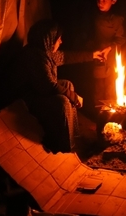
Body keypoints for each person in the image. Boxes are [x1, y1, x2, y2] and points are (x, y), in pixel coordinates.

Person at [13, 19, 104, 153]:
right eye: (58, 38)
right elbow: (48, 86)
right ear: (49, 38)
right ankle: (63, 145)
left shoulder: (45, 52)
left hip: (38, 91)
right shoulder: (35, 56)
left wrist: (92, 55)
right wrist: (74, 97)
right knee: (63, 102)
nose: (61, 41)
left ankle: (72, 137)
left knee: (67, 84)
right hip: (27, 100)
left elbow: (66, 57)